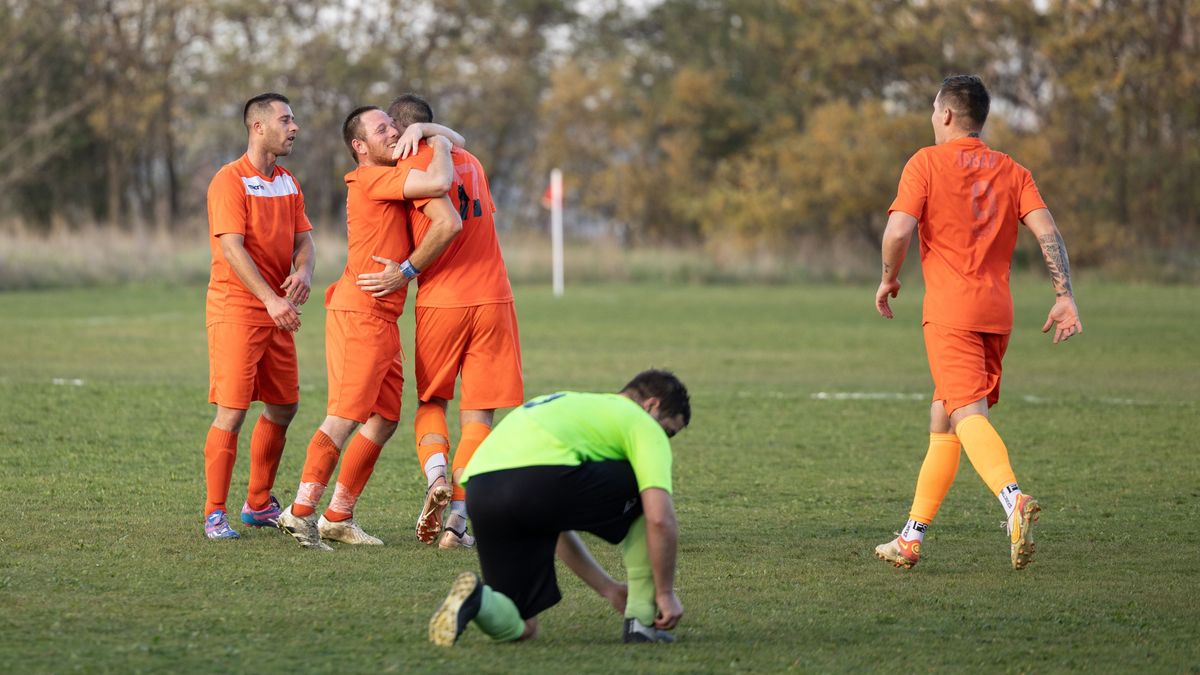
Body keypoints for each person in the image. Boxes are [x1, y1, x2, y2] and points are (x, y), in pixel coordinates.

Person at [873, 75, 1083, 570]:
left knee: (967, 415)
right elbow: (1048, 231)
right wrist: (1064, 295)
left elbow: (898, 228)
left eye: (932, 111)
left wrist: (888, 278)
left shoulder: (924, 162)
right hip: (997, 312)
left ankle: (1014, 502)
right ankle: (910, 538)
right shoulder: (1013, 170)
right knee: (943, 417)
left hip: (951, 312)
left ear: (946, 115)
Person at [275, 106, 464, 549]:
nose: (393, 133)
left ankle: (338, 516)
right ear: (360, 146)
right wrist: (434, 141)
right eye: (382, 129)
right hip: (360, 312)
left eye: (394, 125)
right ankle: (299, 513)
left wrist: (426, 129)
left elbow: (458, 139)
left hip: (381, 315)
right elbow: (440, 181)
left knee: (384, 420)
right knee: (343, 417)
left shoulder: (390, 171)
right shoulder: (369, 177)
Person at [427, 369, 690, 646]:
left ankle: (478, 600)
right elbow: (660, 519)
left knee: (522, 625)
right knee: (647, 491)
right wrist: (665, 593)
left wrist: (608, 589)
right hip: (539, 480)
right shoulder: (641, 422)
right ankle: (642, 622)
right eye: (668, 431)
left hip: (481, 488)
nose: (664, 438)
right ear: (652, 405)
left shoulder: (570, 404)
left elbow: (551, 518)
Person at [369, 93, 523, 549]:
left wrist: (406, 270)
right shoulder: (469, 159)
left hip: (442, 300)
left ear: (398, 130)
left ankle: (436, 471)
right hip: (494, 297)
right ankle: (457, 522)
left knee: (432, 399)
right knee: (479, 414)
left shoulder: (409, 167)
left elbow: (442, 223)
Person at [201, 92, 315, 539]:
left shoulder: (289, 181)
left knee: (284, 406)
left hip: (277, 310)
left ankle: (259, 503)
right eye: (286, 120)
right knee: (231, 412)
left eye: (294, 120)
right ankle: (214, 513)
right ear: (258, 127)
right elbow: (231, 247)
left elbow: (305, 240)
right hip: (238, 309)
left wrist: (303, 269)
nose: (294, 127)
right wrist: (270, 299)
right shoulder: (229, 180)